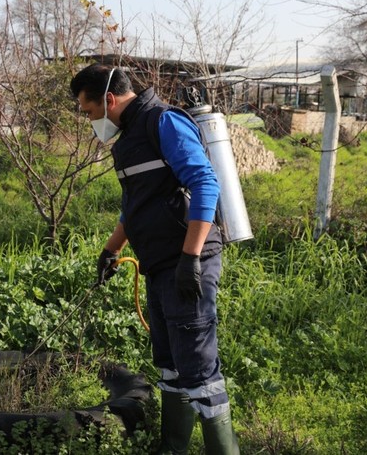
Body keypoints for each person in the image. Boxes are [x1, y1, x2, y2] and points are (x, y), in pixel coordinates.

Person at [71, 63, 240, 455]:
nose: (89, 119)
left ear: (108, 99)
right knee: (169, 361)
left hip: (186, 262)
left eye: (88, 110)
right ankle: (173, 447)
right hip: (160, 264)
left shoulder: (163, 123)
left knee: (198, 367)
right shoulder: (129, 138)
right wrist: (111, 249)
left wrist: (190, 258)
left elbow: (204, 183)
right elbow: (136, 206)